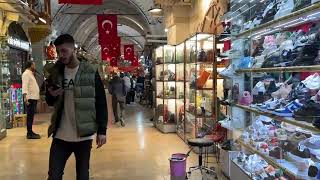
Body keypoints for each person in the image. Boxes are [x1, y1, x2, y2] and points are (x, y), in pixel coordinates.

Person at [45, 34, 107, 180]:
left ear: (73, 49)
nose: (61, 55)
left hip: (83, 136)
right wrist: (52, 95)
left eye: (64, 51)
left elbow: (101, 101)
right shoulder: (56, 72)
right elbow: (49, 100)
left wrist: (102, 131)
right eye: (58, 51)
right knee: (54, 175)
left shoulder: (90, 71)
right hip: (60, 135)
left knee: (82, 175)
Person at [22, 61, 41, 139]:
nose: (35, 66)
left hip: (33, 98)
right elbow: (25, 86)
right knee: (30, 116)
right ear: (30, 66)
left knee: (31, 116)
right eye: (34, 65)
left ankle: (30, 131)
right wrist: (25, 98)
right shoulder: (26, 74)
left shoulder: (30, 73)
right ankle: (29, 133)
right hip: (30, 98)